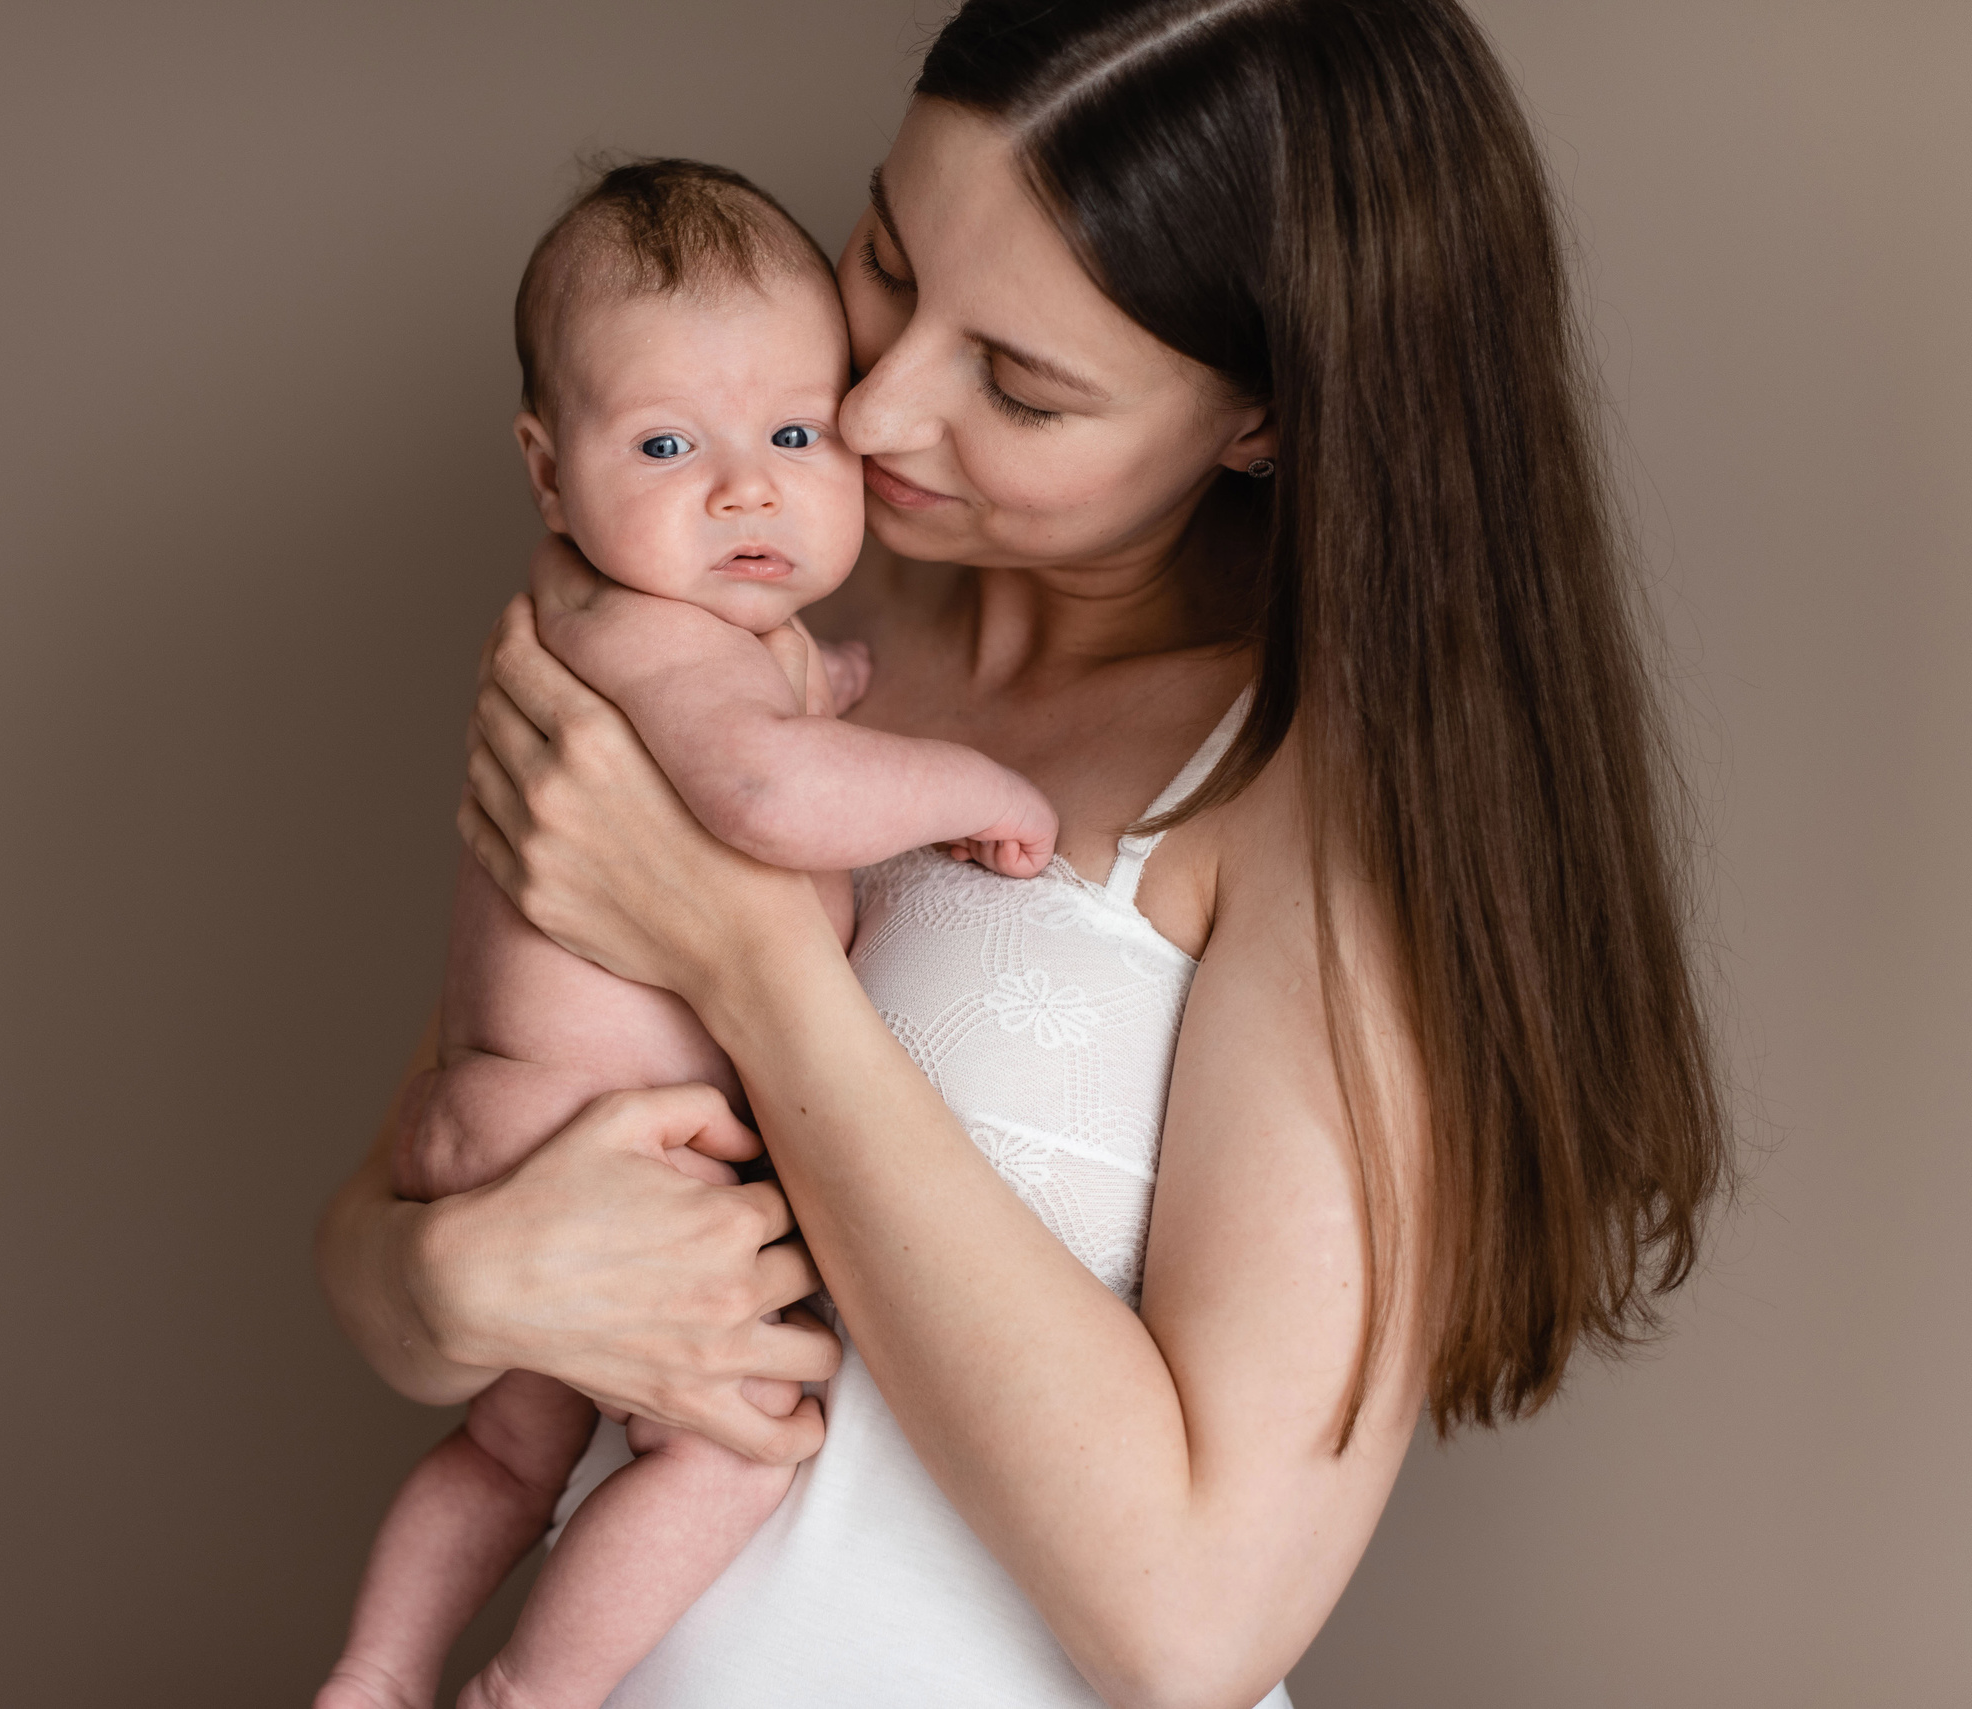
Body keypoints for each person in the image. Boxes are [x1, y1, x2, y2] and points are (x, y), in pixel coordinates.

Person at [318, 1, 1729, 1703]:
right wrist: (450, 1279)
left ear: (1260, 420)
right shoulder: (735, 612)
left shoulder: (1311, 800)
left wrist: (753, 964)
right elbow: (417, 1197)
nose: (884, 412)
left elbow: (1193, 1624)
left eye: (1021, 383)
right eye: (891, 261)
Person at [319, 158, 1058, 1709]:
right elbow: (767, 790)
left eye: (794, 435)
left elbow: (761, 720)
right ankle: (527, 1689)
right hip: (601, 1140)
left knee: (511, 1446)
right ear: (547, 468)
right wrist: (968, 782)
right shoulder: (658, 632)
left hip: (509, 1117)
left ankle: (378, 1670)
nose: (746, 488)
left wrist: (824, 688)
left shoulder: (619, 615)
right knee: (743, 1442)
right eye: (668, 444)